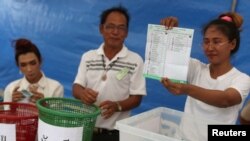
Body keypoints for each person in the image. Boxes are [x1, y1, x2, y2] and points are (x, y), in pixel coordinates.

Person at [160, 12, 250, 140]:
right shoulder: (196, 68)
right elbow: (169, 56)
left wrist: (186, 89)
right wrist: (170, 32)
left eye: (217, 42)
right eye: (206, 42)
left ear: (232, 44)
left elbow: (226, 100)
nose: (210, 47)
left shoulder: (242, 79)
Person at [72, 6, 146, 141]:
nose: (115, 32)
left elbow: (137, 98)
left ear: (127, 33)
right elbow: (76, 87)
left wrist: (117, 106)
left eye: (121, 28)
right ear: (101, 29)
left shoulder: (135, 60)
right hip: (85, 129)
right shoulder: (88, 57)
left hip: (115, 134)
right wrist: (82, 94)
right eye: (110, 26)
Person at [4, 38, 64, 103]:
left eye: (33, 63)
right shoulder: (11, 88)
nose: (29, 69)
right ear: (18, 66)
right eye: (23, 65)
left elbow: (56, 113)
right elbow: (6, 113)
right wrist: (13, 105)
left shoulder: (56, 88)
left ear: (40, 61)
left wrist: (44, 105)